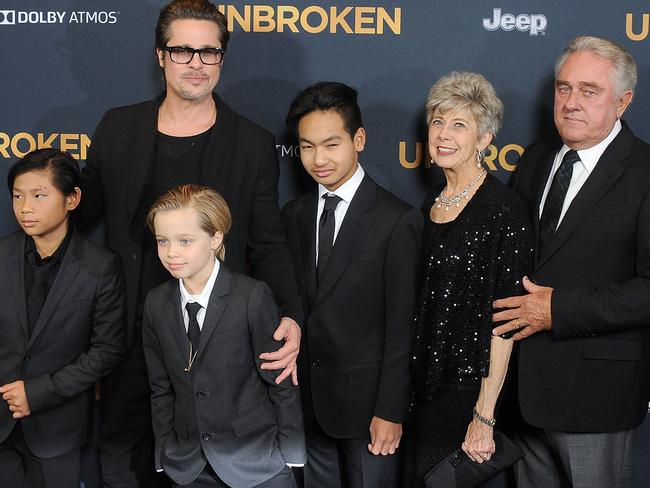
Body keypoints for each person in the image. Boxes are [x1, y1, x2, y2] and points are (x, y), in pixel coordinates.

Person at [76, 1, 302, 485]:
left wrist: (290, 315)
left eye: (209, 52)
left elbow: (268, 242)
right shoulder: (117, 127)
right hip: (130, 327)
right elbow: (78, 214)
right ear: (160, 56)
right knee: (122, 454)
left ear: (222, 59)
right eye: (182, 50)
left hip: (218, 342)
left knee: (210, 466)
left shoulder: (251, 143)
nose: (196, 63)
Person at [492, 36, 650, 488]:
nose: (571, 103)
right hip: (522, 396)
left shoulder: (645, 172)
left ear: (623, 102)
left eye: (588, 90)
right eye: (564, 88)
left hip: (595, 396)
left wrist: (556, 310)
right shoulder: (537, 159)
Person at [282, 81, 422, 488]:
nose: (318, 159)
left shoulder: (397, 220)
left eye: (330, 144)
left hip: (369, 412)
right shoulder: (293, 214)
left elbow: (403, 327)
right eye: (306, 147)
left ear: (358, 139)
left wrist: (391, 411)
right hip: (307, 405)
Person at [402, 72, 534, 487]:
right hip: (423, 388)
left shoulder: (504, 209)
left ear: (484, 139)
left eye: (460, 125)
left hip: (468, 392)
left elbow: (507, 320)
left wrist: (484, 414)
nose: (444, 134)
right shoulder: (432, 202)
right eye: (438, 122)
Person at [142, 184, 306, 488]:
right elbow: (160, 388)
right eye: (162, 241)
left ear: (216, 238)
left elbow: (280, 380)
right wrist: (164, 454)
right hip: (187, 465)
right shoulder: (156, 302)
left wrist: (291, 454)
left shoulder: (252, 296)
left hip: (257, 463)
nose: (171, 253)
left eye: (185, 241)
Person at [0, 148, 126, 487]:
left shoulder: (100, 267)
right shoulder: (0, 255)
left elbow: (107, 350)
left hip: (57, 431)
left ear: (72, 199)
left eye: (39, 196)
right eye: (17, 196)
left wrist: (38, 392)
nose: (25, 208)